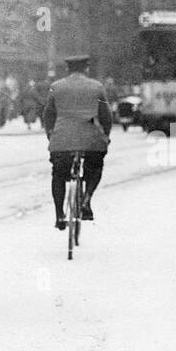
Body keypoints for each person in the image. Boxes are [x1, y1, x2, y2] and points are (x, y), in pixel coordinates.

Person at [43, 54, 111, 229]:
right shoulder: (97, 87)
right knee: (95, 166)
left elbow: (48, 114)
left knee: (58, 175)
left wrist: (51, 135)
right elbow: (106, 115)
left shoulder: (56, 87)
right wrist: (106, 136)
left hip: (62, 140)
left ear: (68, 69)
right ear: (86, 69)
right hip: (92, 140)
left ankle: (59, 214)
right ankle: (86, 200)